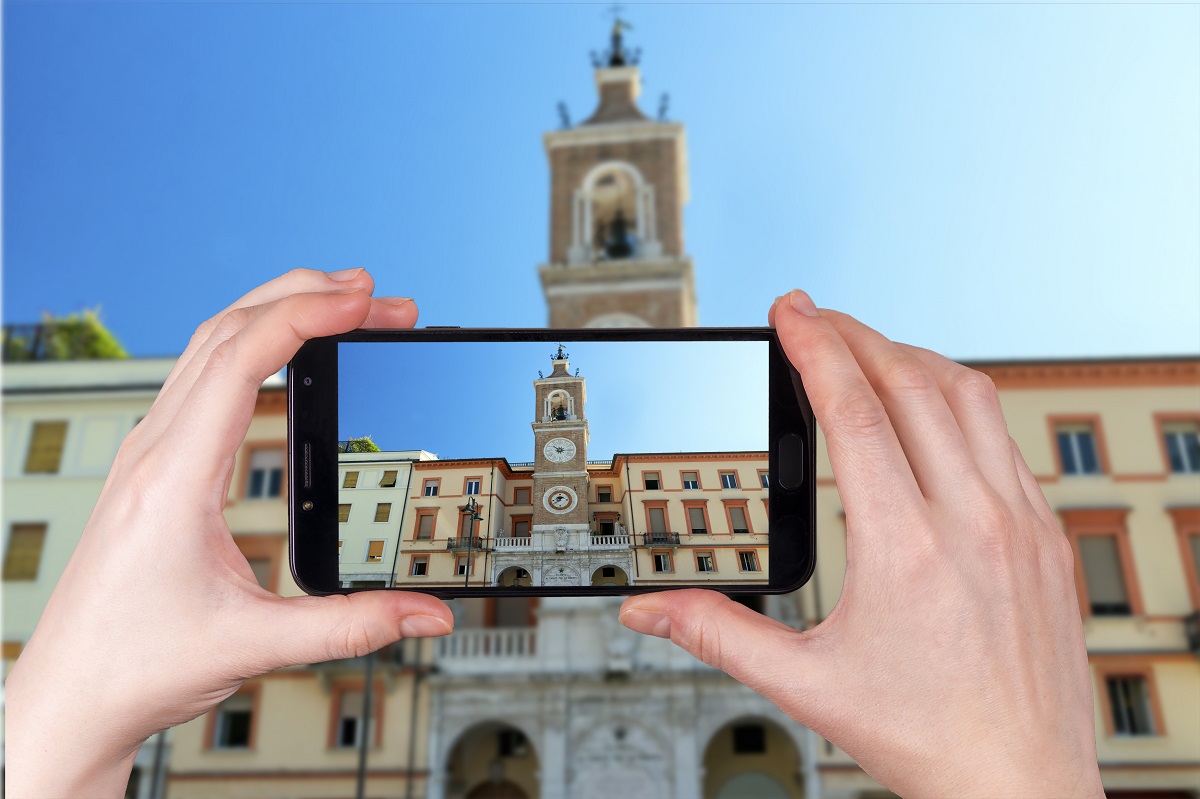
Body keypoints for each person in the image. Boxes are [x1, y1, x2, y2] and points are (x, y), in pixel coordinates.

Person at [5, 269, 1105, 798]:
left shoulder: (629, 484)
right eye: (556, 414)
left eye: (566, 414)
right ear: (549, 419)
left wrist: (54, 739)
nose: (562, 423)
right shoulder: (519, 480)